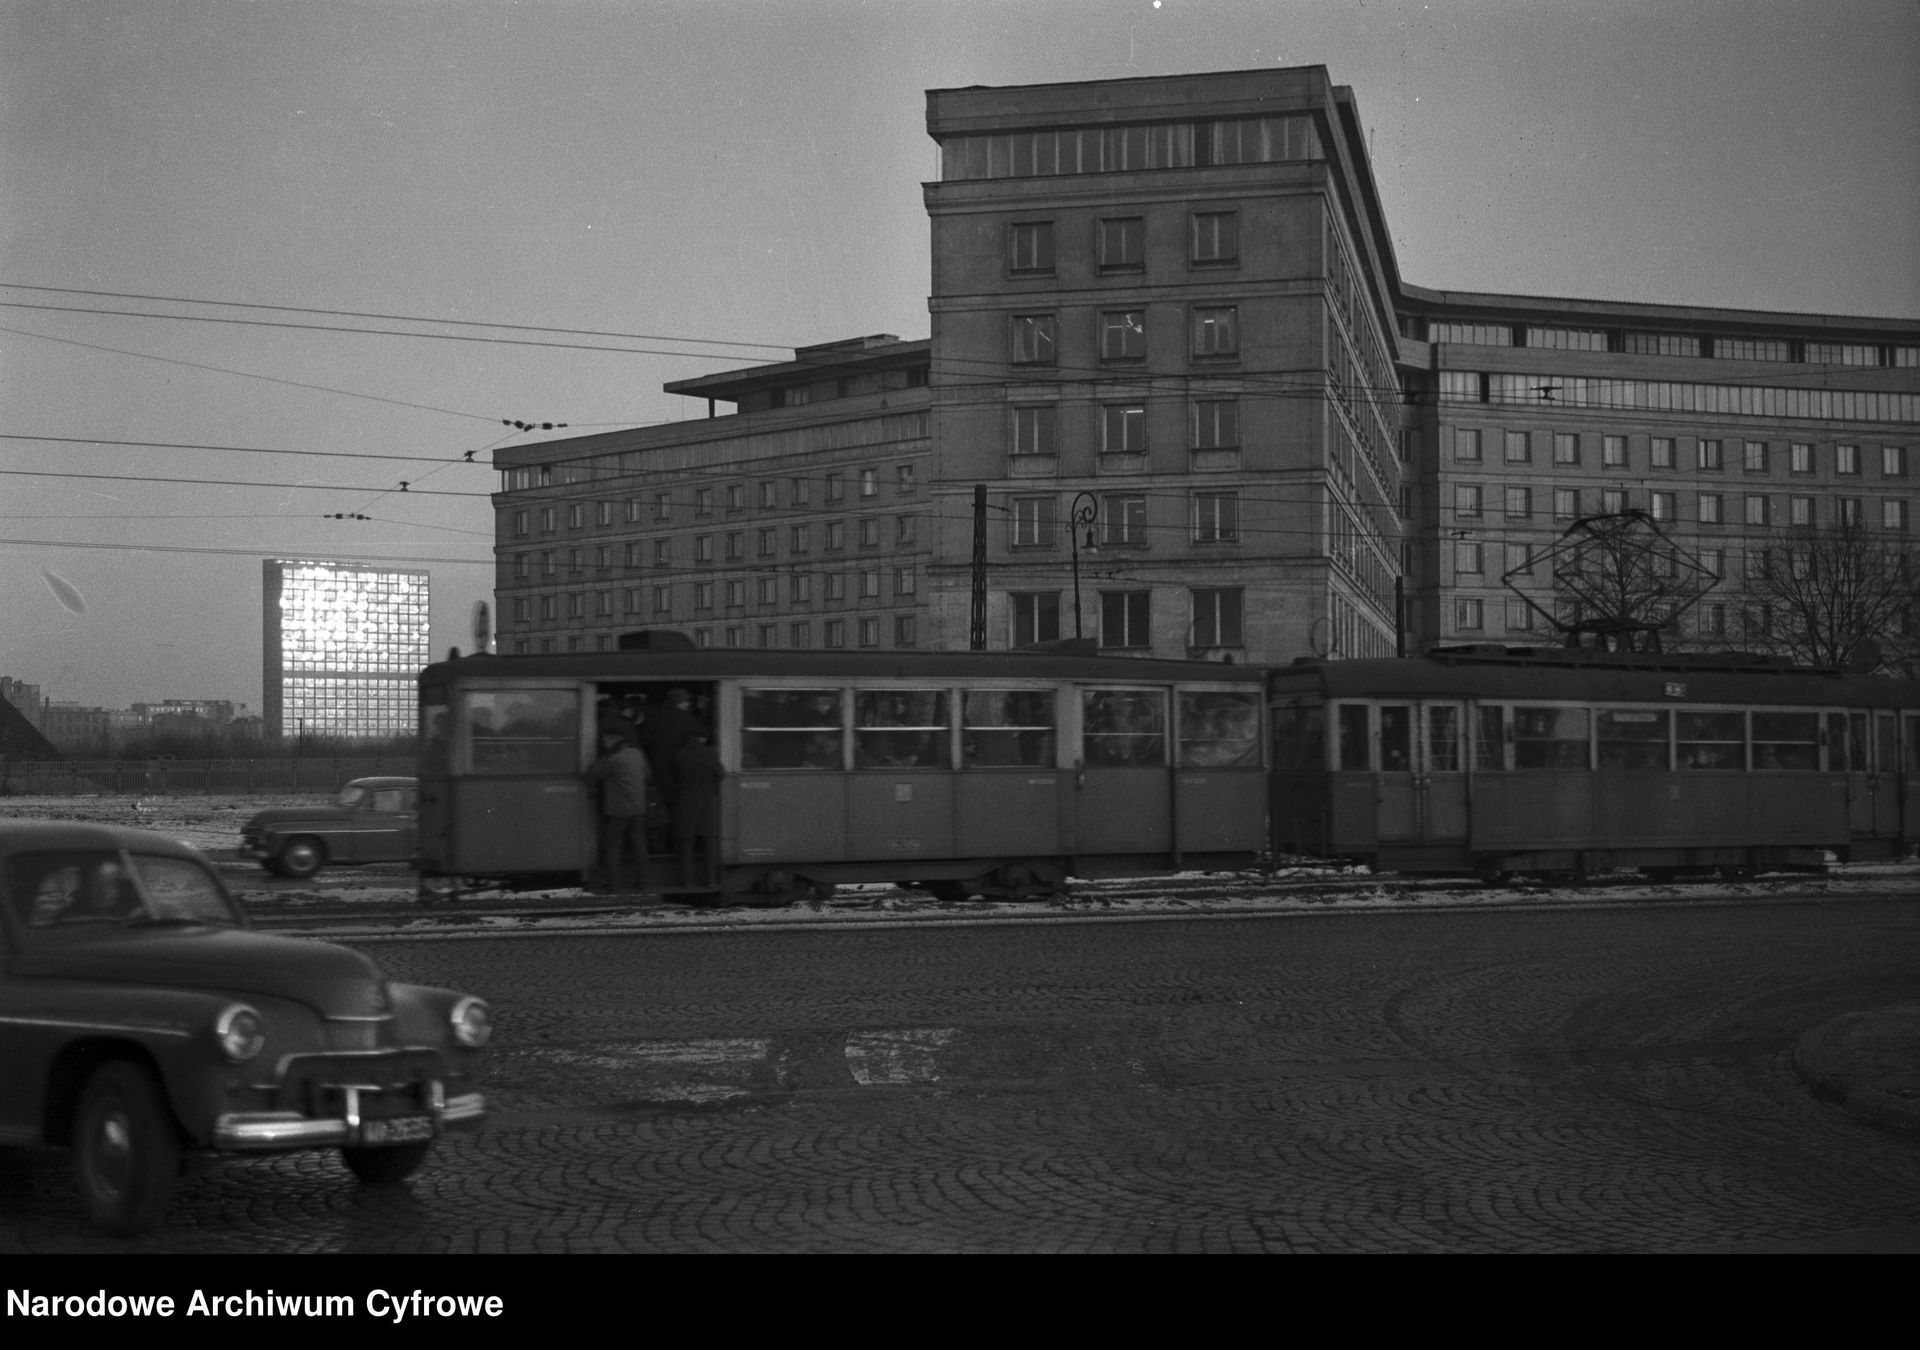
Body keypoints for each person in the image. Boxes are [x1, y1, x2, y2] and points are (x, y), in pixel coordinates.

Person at [587, 731, 649, 892]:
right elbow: (648, 775)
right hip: (638, 807)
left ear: (613, 742)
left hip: (619, 810)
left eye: (606, 742)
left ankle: (614, 883)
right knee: (639, 844)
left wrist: (598, 762)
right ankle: (643, 882)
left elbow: (596, 773)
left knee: (613, 845)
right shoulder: (637, 754)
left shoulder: (614, 759)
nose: (604, 745)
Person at [638, 686, 699, 845]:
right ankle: (677, 842)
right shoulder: (688, 719)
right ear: (680, 702)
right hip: (680, 770)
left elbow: (644, 740)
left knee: (659, 806)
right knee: (678, 807)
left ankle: (658, 841)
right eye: (686, 701)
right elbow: (697, 740)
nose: (688, 704)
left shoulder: (655, 717)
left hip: (657, 768)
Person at [673, 731, 725, 888]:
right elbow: (721, 774)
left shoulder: (679, 755)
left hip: (687, 798)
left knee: (687, 841)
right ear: (702, 738)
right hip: (707, 799)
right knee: (710, 840)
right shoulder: (709, 754)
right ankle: (711, 879)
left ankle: (687, 881)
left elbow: (674, 777)